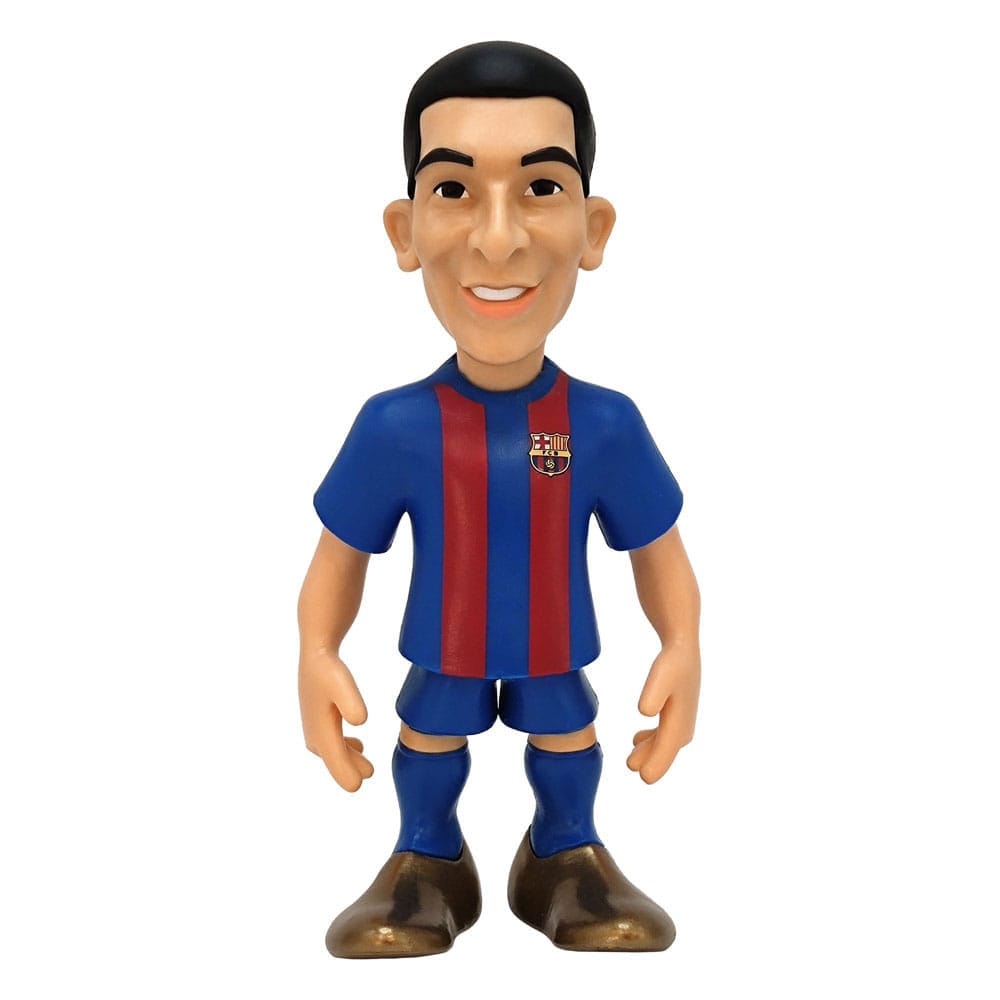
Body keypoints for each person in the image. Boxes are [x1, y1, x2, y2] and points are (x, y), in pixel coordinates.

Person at [298, 41, 701, 958]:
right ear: (404, 230)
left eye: (541, 188)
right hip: (444, 644)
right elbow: (339, 554)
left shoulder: (603, 425)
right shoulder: (395, 427)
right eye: (452, 190)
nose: (497, 240)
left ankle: (565, 853)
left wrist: (683, 645)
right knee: (429, 741)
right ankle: (426, 857)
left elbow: (659, 549)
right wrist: (315, 653)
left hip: (554, 644)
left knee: (567, 739)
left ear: (594, 228)